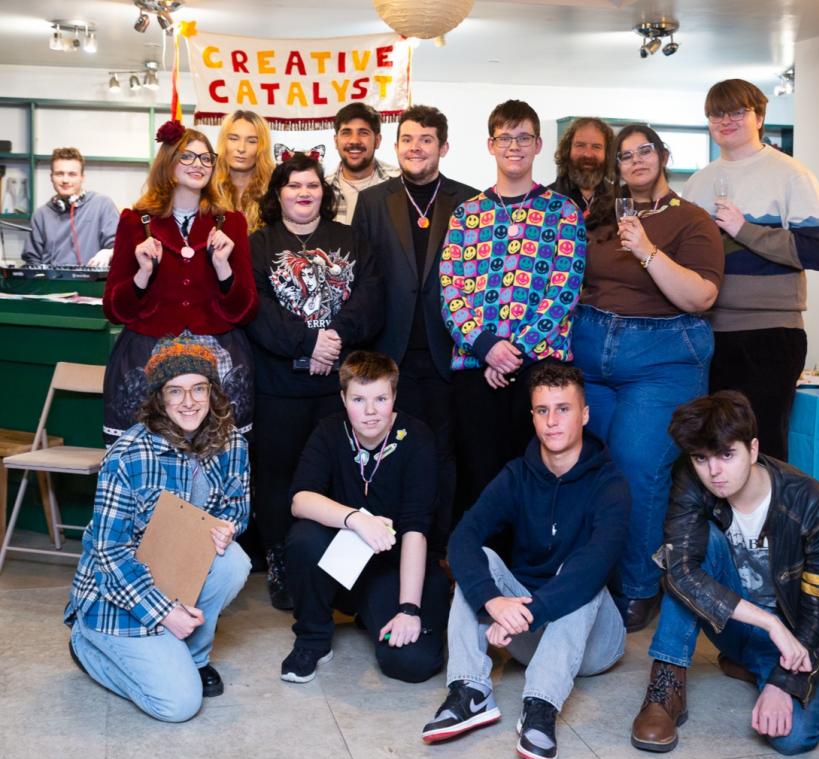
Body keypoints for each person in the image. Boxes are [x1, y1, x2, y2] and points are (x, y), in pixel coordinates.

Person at [422, 362, 629, 759]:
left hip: (594, 641)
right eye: (542, 410)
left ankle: (540, 705)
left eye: (563, 409)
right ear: (532, 416)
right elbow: (463, 537)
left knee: (581, 575)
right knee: (476, 560)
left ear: (584, 414)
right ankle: (470, 690)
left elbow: (594, 566)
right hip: (525, 630)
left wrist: (528, 612)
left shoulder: (610, 484)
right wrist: (495, 602)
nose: (552, 421)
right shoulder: (518, 474)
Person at [631, 390, 819, 756]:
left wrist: (783, 681)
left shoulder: (814, 505)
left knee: (794, 738)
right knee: (693, 552)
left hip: (791, 638)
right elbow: (681, 573)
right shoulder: (690, 480)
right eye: (701, 458)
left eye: (727, 455)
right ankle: (665, 687)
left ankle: (755, 666)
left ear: (753, 448)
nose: (714, 472)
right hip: (736, 621)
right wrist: (768, 623)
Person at [570, 123, 724, 632]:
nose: (635, 161)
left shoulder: (691, 221)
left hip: (660, 357)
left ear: (662, 156)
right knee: (582, 463)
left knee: (638, 467)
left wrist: (648, 252)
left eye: (644, 151)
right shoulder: (602, 217)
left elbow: (701, 297)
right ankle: (585, 577)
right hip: (591, 351)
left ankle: (637, 587)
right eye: (625, 155)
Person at [64, 336, 252, 722]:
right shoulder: (128, 456)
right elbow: (109, 555)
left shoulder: (232, 442)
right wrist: (164, 612)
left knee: (233, 560)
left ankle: (194, 657)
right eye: (175, 391)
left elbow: (238, 506)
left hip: (176, 572)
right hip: (117, 594)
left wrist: (229, 527)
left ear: (212, 392)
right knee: (179, 705)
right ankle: (85, 644)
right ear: (159, 399)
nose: (189, 401)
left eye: (198, 388)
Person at [245, 153, 381, 610]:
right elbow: (257, 310)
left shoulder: (351, 239)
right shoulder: (258, 245)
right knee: (278, 478)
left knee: (340, 475)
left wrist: (334, 340)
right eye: (294, 186)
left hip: (336, 388)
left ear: (325, 193)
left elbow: (370, 296)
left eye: (312, 185)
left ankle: (339, 569)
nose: (304, 193)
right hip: (278, 386)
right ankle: (283, 565)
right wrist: (308, 343)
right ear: (278, 194)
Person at [440, 99, 586, 514]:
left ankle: (533, 575)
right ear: (491, 144)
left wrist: (511, 353)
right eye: (506, 138)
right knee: (479, 480)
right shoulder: (467, 214)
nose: (514, 146)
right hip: (474, 368)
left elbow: (564, 290)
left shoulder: (563, 212)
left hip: (541, 369)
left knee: (539, 481)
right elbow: (450, 289)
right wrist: (487, 347)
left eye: (523, 137)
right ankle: (480, 572)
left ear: (538, 144)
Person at [682, 79, 819, 461]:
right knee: (715, 446)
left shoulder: (790, 174)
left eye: (738, 111)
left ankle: (770, 523)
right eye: (717, 113)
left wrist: (743, 229)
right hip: (711, 332)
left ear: (760, 117)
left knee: (763, 445)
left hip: (772, 334)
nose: (726, 120)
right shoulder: (697, 183)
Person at [281, 351, 450, 684]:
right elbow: (300, 500)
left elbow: (417, 528)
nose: (370, 411)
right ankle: (313, 639)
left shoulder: (417, 438)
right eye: (359, 399)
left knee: (411, 664)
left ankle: (372, 610)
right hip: (347, 560)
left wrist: (408, 610)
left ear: (394, 397)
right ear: (343, 398)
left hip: (397, 565)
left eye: (380, 399)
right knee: (304, 538)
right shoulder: (330, 431)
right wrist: (356, 519)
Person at [353, 104, 476, 556]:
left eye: (426, 140)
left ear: (443, 147)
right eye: (407, 139)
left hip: (450, 351)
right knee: (390, 453)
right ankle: (388, 547)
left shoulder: (468, 200)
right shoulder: (373, 202)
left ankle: (440, 548)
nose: (416, 147)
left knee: (444, 456)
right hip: (391, 351)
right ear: (396, 145)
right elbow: (363, 278)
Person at [101, 120, 258, 444]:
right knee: (147, 456)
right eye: (187, 157)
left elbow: (245, 310)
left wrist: (223, 268)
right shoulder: (134, 221)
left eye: (205, 158)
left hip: (218, 359)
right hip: (147, 354)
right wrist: (142, 275)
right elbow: (115, 310)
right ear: (168, 162)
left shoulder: (231, 223)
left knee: (216, 457)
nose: (198, 165)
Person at [22, 146, 118, 267]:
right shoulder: (40, 215)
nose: (65, 180)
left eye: (72, 174)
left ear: (82, 177)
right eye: (59, 174)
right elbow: (32, 262)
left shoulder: (102, 205)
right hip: (51, 284)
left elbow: (120, 247)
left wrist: (108, 253)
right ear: (51, 177)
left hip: (92, 284)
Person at [326, 102, 400, 224]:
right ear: (336, 141)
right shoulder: (321, 189)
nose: (354, 140)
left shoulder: (400, 182)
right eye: (346, 133)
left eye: (363, 133)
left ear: (377, 141)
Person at [213, 109, 275, 233]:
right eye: (233, 138)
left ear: (262, 147)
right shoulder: (206, 188)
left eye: (252, 141)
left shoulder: (275, 191)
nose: (241, 148)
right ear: (223, 142)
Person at [549, 117, 615, 221]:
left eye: (596, 147)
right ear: (567, 150)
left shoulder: (618, 199)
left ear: (608, 153)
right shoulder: (545, 199)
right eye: (580, 145)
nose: (588, 154)